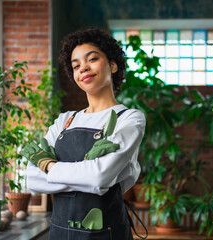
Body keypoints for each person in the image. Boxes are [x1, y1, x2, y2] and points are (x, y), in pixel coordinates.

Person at [25, 27, 146, 239]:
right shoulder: (65, 120)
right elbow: (33, 178)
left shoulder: (129, 118)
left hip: (106, 233)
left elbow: (100, 176)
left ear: (113, 65)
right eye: (76, 65)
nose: (83, 68)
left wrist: (49, 165)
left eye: (92, 59)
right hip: (60, 232)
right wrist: (88, 177)